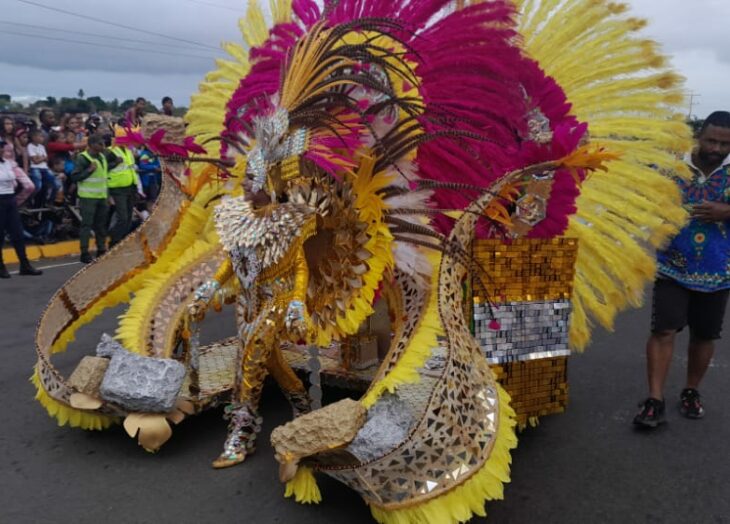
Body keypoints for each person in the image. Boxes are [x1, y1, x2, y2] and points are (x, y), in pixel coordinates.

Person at [634, 111, 730, 428]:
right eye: (712, 140)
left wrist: (726, 211)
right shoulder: (674, 163)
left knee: (704, 335)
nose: (717, 148)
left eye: (725, 144)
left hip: (719, 270)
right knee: (663, 330)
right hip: (672, 265)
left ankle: (691, 391)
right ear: (699, 136)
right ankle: (655, 399)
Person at [68, 134, 120, 263]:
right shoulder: (83, 158)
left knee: (101, 225)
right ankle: (84, 252)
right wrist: (89, 170)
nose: (103, 147)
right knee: (86, 224)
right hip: (88, 197)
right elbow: (74, 177)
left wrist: (115, 161)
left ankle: (101, 249)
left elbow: (105, 170)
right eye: (100, 144)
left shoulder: (102, 156)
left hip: (102, 196)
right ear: (91, 145)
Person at [0, 140, 42, 278]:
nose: (1, 149)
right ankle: (1, 266)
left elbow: (16, 180)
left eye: (2, 147)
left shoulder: (7, 163)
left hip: (10, 199)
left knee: (17, 233)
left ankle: (25, 265)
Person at [107, 141, 141, 246]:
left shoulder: (128, 150)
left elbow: (130, 168)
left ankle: (122, 240)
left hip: (130, 186)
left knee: (129, 217)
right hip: (118, 188)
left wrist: (136, 187)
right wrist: (115, 162)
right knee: (122, 217)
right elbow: (104, 167)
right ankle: (114, 240)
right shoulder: (110, 151)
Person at [27, 129, 58, 206]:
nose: (43, 138)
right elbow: (35, 161)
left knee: (56, 184)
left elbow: (47, 159)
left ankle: (50, 201)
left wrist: (40, 158)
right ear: (34, 137)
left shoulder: (42, 146)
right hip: (35, 168)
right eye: (41, 136)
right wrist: (42, 158)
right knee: (38, 186)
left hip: (45, 168)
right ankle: (28, 200)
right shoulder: (30, 146)